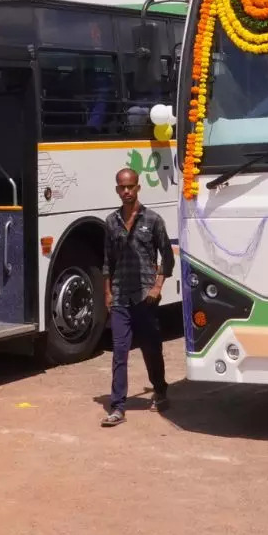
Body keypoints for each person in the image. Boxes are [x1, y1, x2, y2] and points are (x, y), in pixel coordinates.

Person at [101, 167, 173, 427]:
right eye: (122, 187)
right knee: (119, 352)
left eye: (130, 186)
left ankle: (161, 390)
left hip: (145, 297)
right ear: (117, 189)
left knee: (151, 349)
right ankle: (117, 406)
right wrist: (107, 292)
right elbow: (107, 261)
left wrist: (157, 287)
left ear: (138, 187)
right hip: (120, 296)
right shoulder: (110, 222)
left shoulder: (152, 220)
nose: (126, 191)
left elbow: (167, 256)